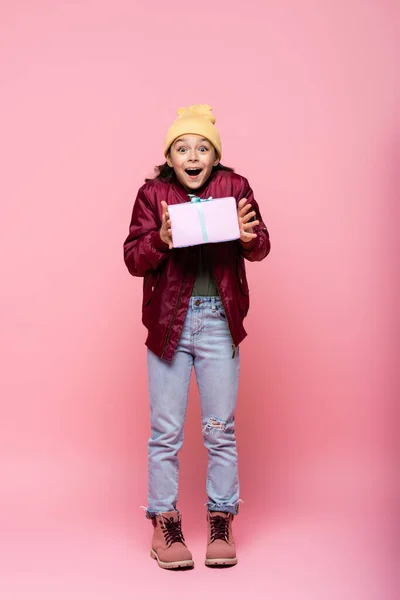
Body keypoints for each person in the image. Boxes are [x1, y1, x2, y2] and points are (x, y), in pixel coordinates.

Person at [123, 104, 271, 569]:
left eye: (202, 148)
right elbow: (132, 258)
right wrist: (160, 240)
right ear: (170, 155)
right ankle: (164, 523)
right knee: (165, 432)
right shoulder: (153, 193)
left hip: (219, 322)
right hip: (169, 324)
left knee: (220, 430)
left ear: (215, 156)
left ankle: (221, 517)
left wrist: (249, 238)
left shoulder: (235, 187)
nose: (193, 155)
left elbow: (262, 243)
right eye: (183, 147)